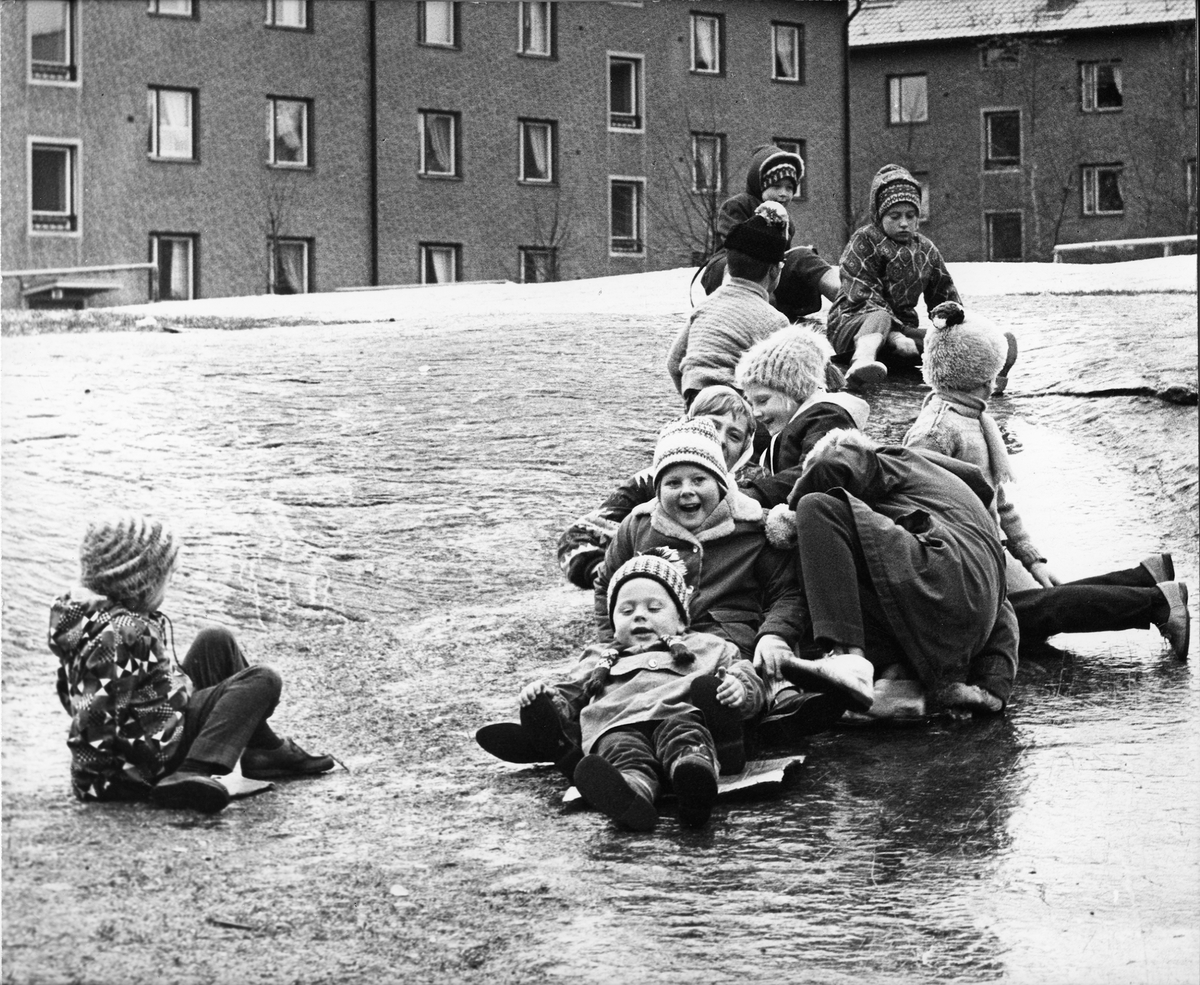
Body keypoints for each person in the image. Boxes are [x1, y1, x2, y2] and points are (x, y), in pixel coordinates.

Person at [903, 302, 1190, 659]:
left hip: (979, 553)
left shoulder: (974, 418)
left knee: (1032, 614)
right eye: (990, 377)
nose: (994, 385)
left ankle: (1156, 602)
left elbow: (998, 499)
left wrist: (1032, 558)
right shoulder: (937, 432)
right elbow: (919, 512)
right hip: (969, 556)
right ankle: (1144, 581)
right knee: (1037, 610)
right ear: (976, 378)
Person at [50, 516, 335, 814]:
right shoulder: (121, 634)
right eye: (166, 579)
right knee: (263, 680)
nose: (169, 586)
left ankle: (263, 752)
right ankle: (189, 771)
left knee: (216, 639)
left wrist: (171, 687)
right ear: (138, 582)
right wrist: (95, 780)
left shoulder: (89, 620)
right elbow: (92, 711)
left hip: (153, 720)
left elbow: (67, 688)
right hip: (151, 755)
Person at [522, 550, 767, 831]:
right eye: (626, 611)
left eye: (654, 608)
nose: (639, 616)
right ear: (613, 622)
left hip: (678, 714)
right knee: (622, 753)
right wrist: (546, 700)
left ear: (680, 620)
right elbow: (571, 692)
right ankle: (631, 793)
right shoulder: (598, 657)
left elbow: (743, 672)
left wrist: (739, 688)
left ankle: (694, 777)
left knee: (686, 736)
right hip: (616, 724)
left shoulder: (707, 645)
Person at [783, 428, 1020, 716]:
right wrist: (993, 683)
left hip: (936, 571)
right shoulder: (959, 504)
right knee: (864, 565)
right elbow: (1002, 610)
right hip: (965, 619)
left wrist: (790, 512)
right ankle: (900, 683)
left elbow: (832, 463)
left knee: (817, 508)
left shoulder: (892, 457)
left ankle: (847, 661)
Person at [827, 163, 1016, 392]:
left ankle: (989, 372)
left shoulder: (925, 249)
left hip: (901, 334)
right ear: (879, 215)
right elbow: (862, 294)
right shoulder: (865, 240)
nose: (904, 223)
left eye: (911, 215)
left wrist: (958, 328)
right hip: (855, 324)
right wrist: (894, 336)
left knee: (942, 342)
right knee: (879, 316)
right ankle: (862, 362)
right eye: (894, 216)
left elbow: (945, 297)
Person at [557, 385, 758, 591]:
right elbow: (577, 537)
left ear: (745, 447)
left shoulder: (756, 486)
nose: (722, 440)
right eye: (713, 426)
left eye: (735, 436)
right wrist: (615, 577)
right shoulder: (650, 481)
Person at [667, 202, 792, 407]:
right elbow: (782, 380)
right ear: (774, 271)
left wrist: (694, 403)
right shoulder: (775, 320)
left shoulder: (704, 306)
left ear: (729, 267)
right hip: (735, 407)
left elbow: (673, 364)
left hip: (696, 402)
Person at [698, 144, 840, 323]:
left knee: (803, 256)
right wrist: (763, 219)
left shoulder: (786, 222)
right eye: (776, 186)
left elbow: (779, 261)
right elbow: (735, 246)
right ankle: (749, 308)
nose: (784, 194)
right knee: (742, 264)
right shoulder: (738, 205)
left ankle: (846, 299)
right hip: (730, 271)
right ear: (759, 185)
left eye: (789, 188)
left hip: (766, 279)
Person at [732, 323, 870, 507]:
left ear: (794, 390)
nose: (755, 412)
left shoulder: (826, 416)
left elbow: (815, 473)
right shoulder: (790, 422)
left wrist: (754, 493)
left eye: (763, 400)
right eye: (751, 403)